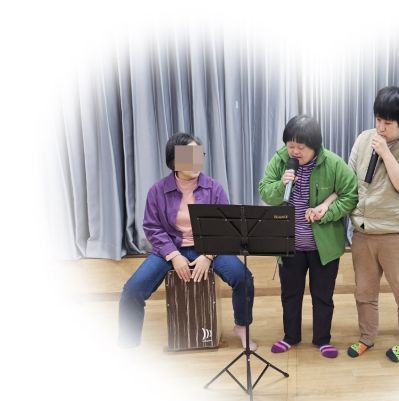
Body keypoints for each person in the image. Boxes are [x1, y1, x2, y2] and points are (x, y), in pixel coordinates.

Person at [118, 133, 256, 349]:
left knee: (243, 277)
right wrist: (173, 256)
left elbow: (224, 226)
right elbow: (152, 227)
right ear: (174, 161)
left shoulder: (214, 188)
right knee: (132, 289)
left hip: (209, 247)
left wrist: (208, 255)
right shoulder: (157, 191)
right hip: (169, 248)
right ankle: (128, 345)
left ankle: (242, 326)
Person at [259, 115, 358, 358]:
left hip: (323, 247)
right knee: (290, 294)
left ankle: (322, 339)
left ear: (315, 146)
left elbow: (350, 195)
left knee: (322, 295)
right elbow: (265, 192)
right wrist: (281, 185)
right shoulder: (280, 160)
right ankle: (290, 337)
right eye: (290, 145)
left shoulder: (333, 163)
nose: (294, 151)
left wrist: (326, 212)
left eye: (300, 147)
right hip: (289, 244)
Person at [347, 86, 399, 363]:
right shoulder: (364, 139)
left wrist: (386, 153)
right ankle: (367, 337)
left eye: (388, 123)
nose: (381, 128)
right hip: (363, 231)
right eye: (378, 120)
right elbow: (349, 181)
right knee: (364, 293)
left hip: (397, 234)